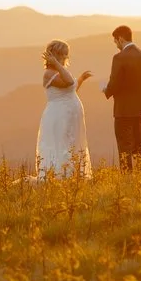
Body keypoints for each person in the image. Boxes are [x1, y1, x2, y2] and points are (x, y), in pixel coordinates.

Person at [34, 39, 93, 178]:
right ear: (56, 55)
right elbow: (69, 82)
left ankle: (73, 173)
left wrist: (82, 79)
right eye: (64, 54)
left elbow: (71, 90)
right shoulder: (49, 73)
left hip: (70, 114)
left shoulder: (60, 71)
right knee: (62, 143)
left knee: (72, 142)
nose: (66, 57)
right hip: (59, 114)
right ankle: (60, 174)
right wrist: (56, 64)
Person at [102, 24, 141, 169]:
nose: (115, 45)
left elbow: (114, 84)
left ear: (120, 39)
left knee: (124, 147)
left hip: (123, 110)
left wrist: (106, 90)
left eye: (115, 41)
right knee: (138, 145)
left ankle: (127, 180)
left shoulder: (119, 58)